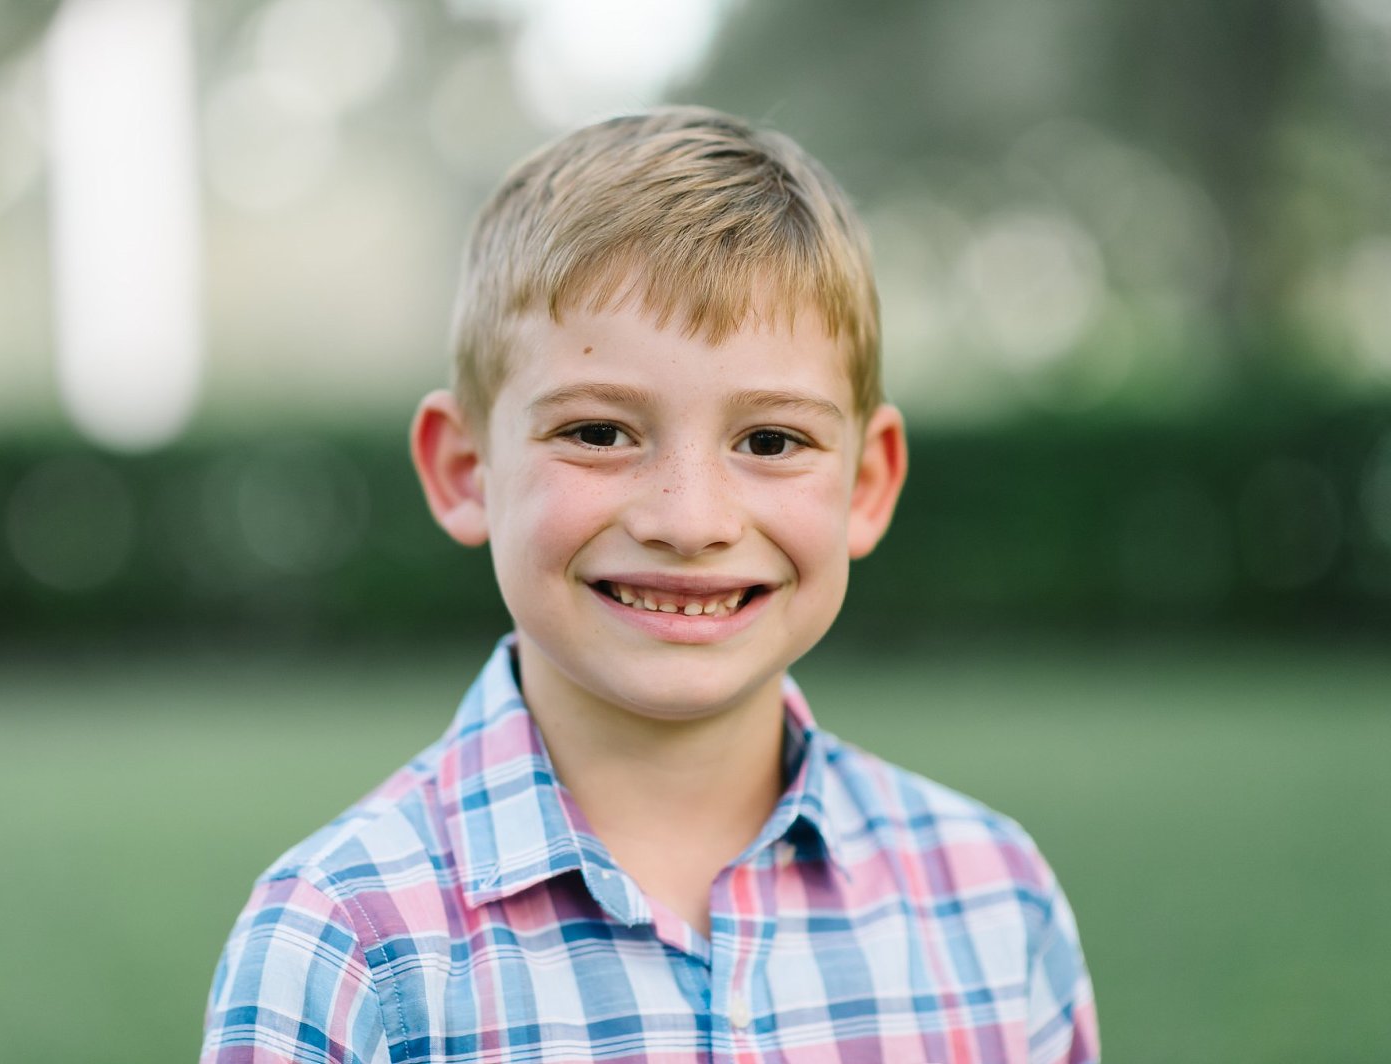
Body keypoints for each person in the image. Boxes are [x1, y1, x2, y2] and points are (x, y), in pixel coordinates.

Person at [201, 106, 1099, 1063]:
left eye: (770, 441)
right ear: (466, 469)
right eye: (598, 433)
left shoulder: (995, 900)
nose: (690, 519)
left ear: (866, 485)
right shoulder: (343, 942)